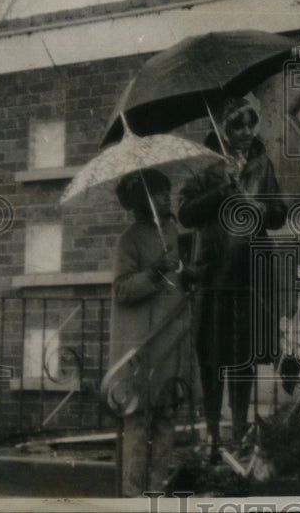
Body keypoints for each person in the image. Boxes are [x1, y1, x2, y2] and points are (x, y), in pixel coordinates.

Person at [178, 97, 288, 461]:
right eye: (237, 125)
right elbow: (186, 213)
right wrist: (220, 190)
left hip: (250, 276)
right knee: (212, 358)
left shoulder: (262, 164)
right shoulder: (206, 167)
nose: (245, 132)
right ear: (223, 128)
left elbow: (278, 214)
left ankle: (240, 434)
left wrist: (265, 208)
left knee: (243, 358)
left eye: (250, 124)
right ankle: (212, 435)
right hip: (214, 275)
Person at [109, 168, 197, 496]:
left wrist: (189, 272)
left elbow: (182, 277)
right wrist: (153, 273)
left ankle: (156, 493)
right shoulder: (129, 239)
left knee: (165, 419)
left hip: (170, 341)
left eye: (167, 192)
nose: (166, 198)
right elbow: (121, 289)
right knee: (136, 422)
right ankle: (133, 497)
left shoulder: (175, 233)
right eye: (159, 193)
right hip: (140, 345)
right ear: (143, 200)